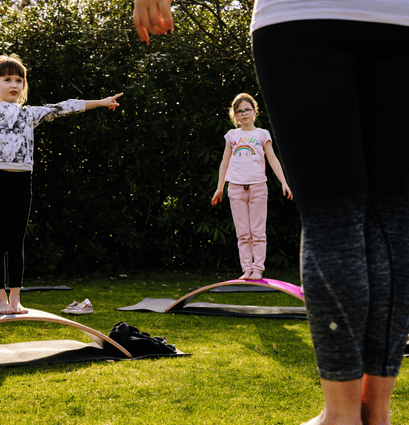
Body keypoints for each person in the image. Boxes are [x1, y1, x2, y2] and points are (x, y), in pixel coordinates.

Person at [132, 1, 409, 424]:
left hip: (301, 17)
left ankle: (342, 415)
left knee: (335, 219)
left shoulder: (257, 132)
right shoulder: (235, 134)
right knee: (392, 221)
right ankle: (376, 413)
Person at [0, 54, 123, 315]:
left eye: (19, 80)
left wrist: (101, 102)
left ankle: (15, 299)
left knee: (16, 241)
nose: (14, 85)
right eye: (7, 79)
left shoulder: (30, 114)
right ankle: (0, 299)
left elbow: (64, 107)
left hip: (22, 180)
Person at [211, 93, 292, 280]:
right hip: (236, 188)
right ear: (235, 115)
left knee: (257, 232)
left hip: (258, 187)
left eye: (247, 109)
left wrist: (284, 182)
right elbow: (224, 162)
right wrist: (219, 187)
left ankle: (258, 269)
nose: (244, 113)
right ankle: (246, 269)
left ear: (254, 111)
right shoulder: (232, 135)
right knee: (243, 233)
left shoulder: (262, 134)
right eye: (239, 111)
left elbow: (272, 159)